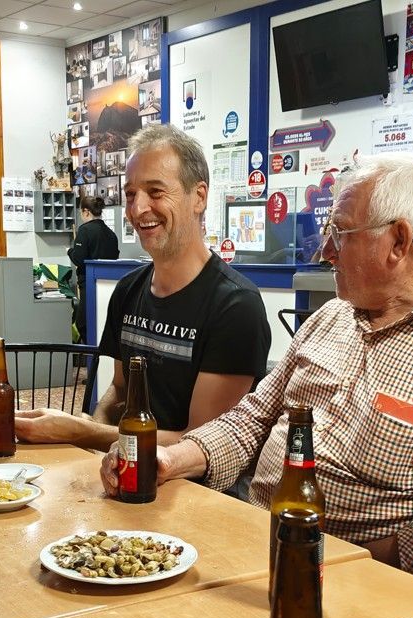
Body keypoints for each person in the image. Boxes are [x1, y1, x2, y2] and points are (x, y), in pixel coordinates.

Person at [103, 153, 413, 592]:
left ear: (399, 241)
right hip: (253, 542)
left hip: (365, 585)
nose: (324, 252)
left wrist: (322, 554)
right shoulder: (332, 317)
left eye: (339, 233)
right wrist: (169, 460)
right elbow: (252, 419)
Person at [17, 124, 271, 453]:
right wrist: (91, 444)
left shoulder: (236, 306)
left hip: (194, 494)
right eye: (131, 194)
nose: (137, 210)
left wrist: (80, 432)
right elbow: (119, 393)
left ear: (199, 197)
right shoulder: (127, 291)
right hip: (126, 474)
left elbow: (200, 444)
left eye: (155, 192)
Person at [67, 194, 119, 343]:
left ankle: (92, 359)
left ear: (86, 211)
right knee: (102, 322)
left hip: (88, 285)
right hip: (108, 286)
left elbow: (78, 259)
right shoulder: (111, 234)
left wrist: (69, 251)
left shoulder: (84, 231)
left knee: (83, 324)